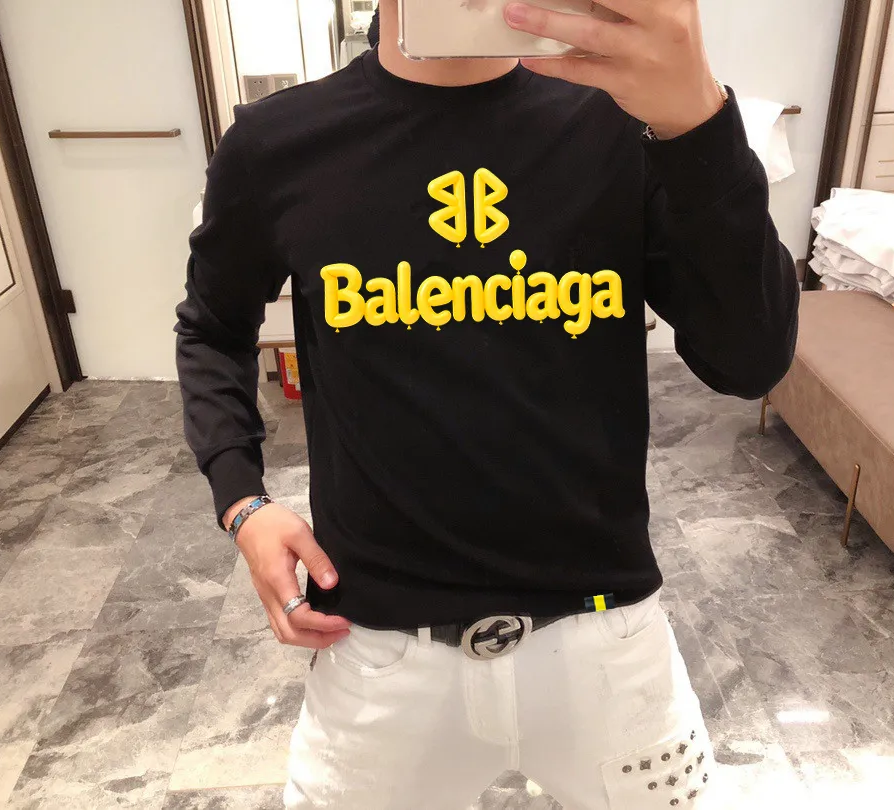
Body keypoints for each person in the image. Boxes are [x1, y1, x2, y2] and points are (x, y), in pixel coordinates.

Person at [175, 0, 799, 807]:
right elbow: (212, 325)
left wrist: (700, 126)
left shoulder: (623, 123)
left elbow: (750, 360)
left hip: (607, 644)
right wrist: (242, 501)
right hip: (379, 655)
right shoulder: (278, 141)